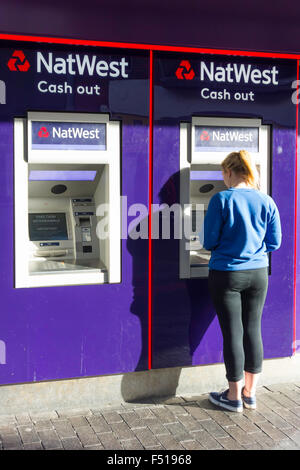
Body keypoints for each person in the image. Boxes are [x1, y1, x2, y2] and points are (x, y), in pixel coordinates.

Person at [203, 150, 281, 412]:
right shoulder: (266, 200)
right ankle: (250, 393)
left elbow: (208, 241)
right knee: (252, 330)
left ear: (228, 172)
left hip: (227, 274)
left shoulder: (221, 199)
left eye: (222, 174)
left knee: (233, 334)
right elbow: (274, 242)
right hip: (259, 274)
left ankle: (233, 397)